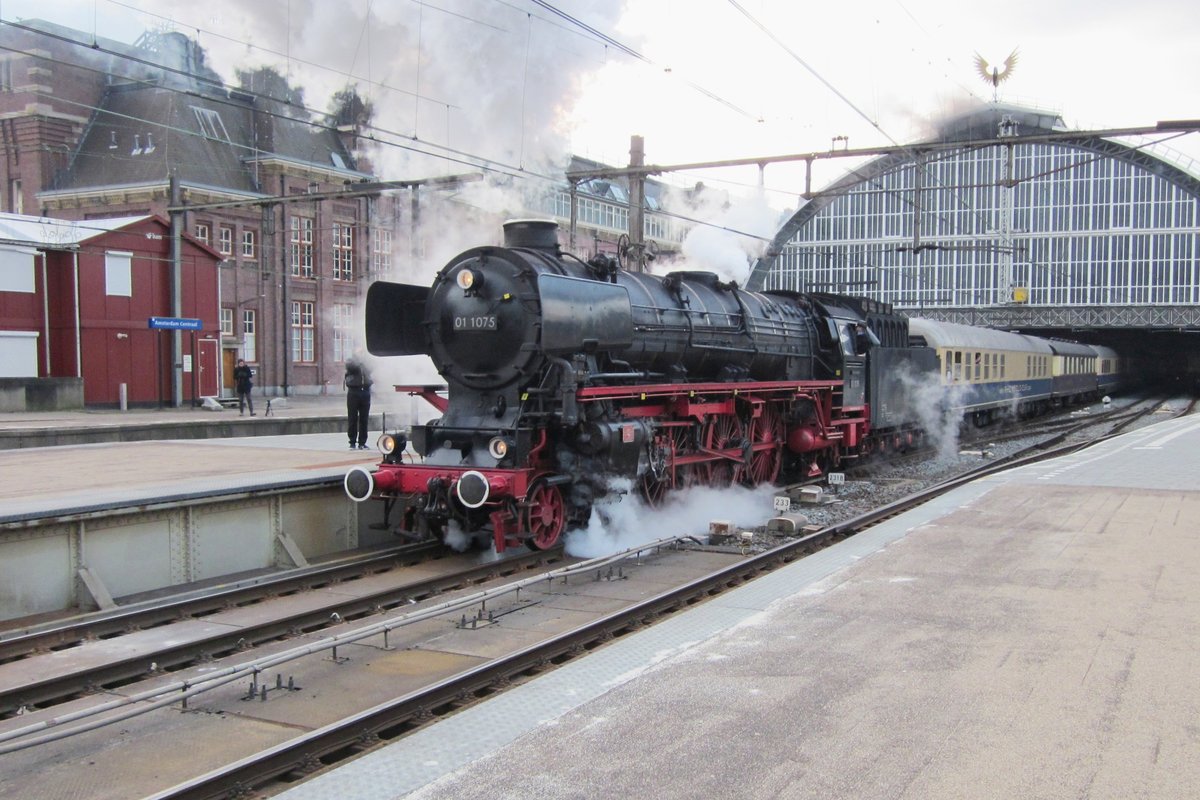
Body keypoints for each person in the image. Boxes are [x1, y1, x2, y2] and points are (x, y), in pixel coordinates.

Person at [344, 354, 373, 450]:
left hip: (365, 391)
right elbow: (351, 367)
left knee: (364, 419)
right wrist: (359, 362)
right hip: (353, 392)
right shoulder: (351, 361)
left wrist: (365, 361)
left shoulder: (366, 360)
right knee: (352, 418)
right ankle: (352, 442)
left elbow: (371, 368)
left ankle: (362, 442)